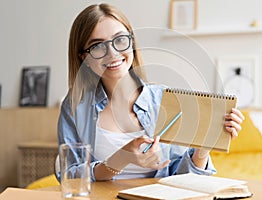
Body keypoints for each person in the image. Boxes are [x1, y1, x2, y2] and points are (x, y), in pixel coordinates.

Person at [57, 3, 245, 182]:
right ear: (84, 58)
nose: (112, 53)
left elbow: (180, 178)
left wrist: (202, 150)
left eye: (120, 39)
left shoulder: (164, 99)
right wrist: (121, 158)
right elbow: (69, 176)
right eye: (97, 46)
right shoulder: (76, 104)